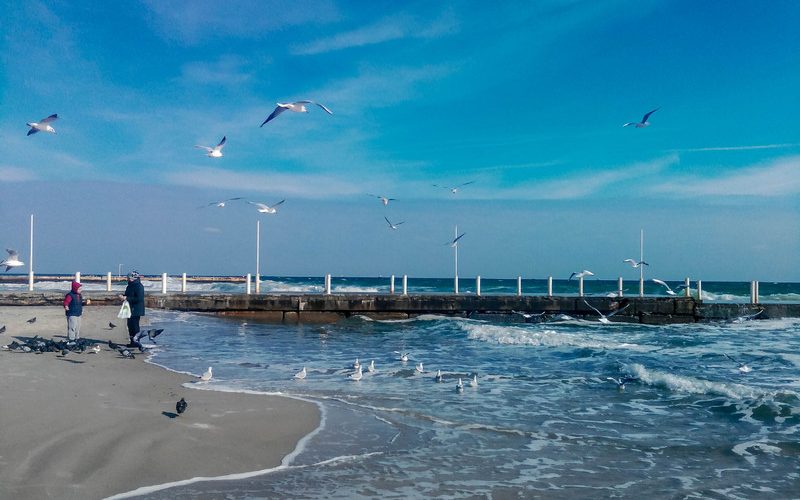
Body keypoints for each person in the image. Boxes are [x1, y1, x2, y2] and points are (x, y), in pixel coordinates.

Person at [119, 271, 145, 348]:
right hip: (129, 308)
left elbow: (139, 299)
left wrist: (126, 298)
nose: (127, 279)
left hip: (136, 309)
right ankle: (132, 342)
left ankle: (136, 342)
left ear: (132, 278)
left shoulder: (139, 286)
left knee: (135, 326)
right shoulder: (130, 285)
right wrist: (123, 296)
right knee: (130, 325)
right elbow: (128, 295)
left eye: (128, 277)